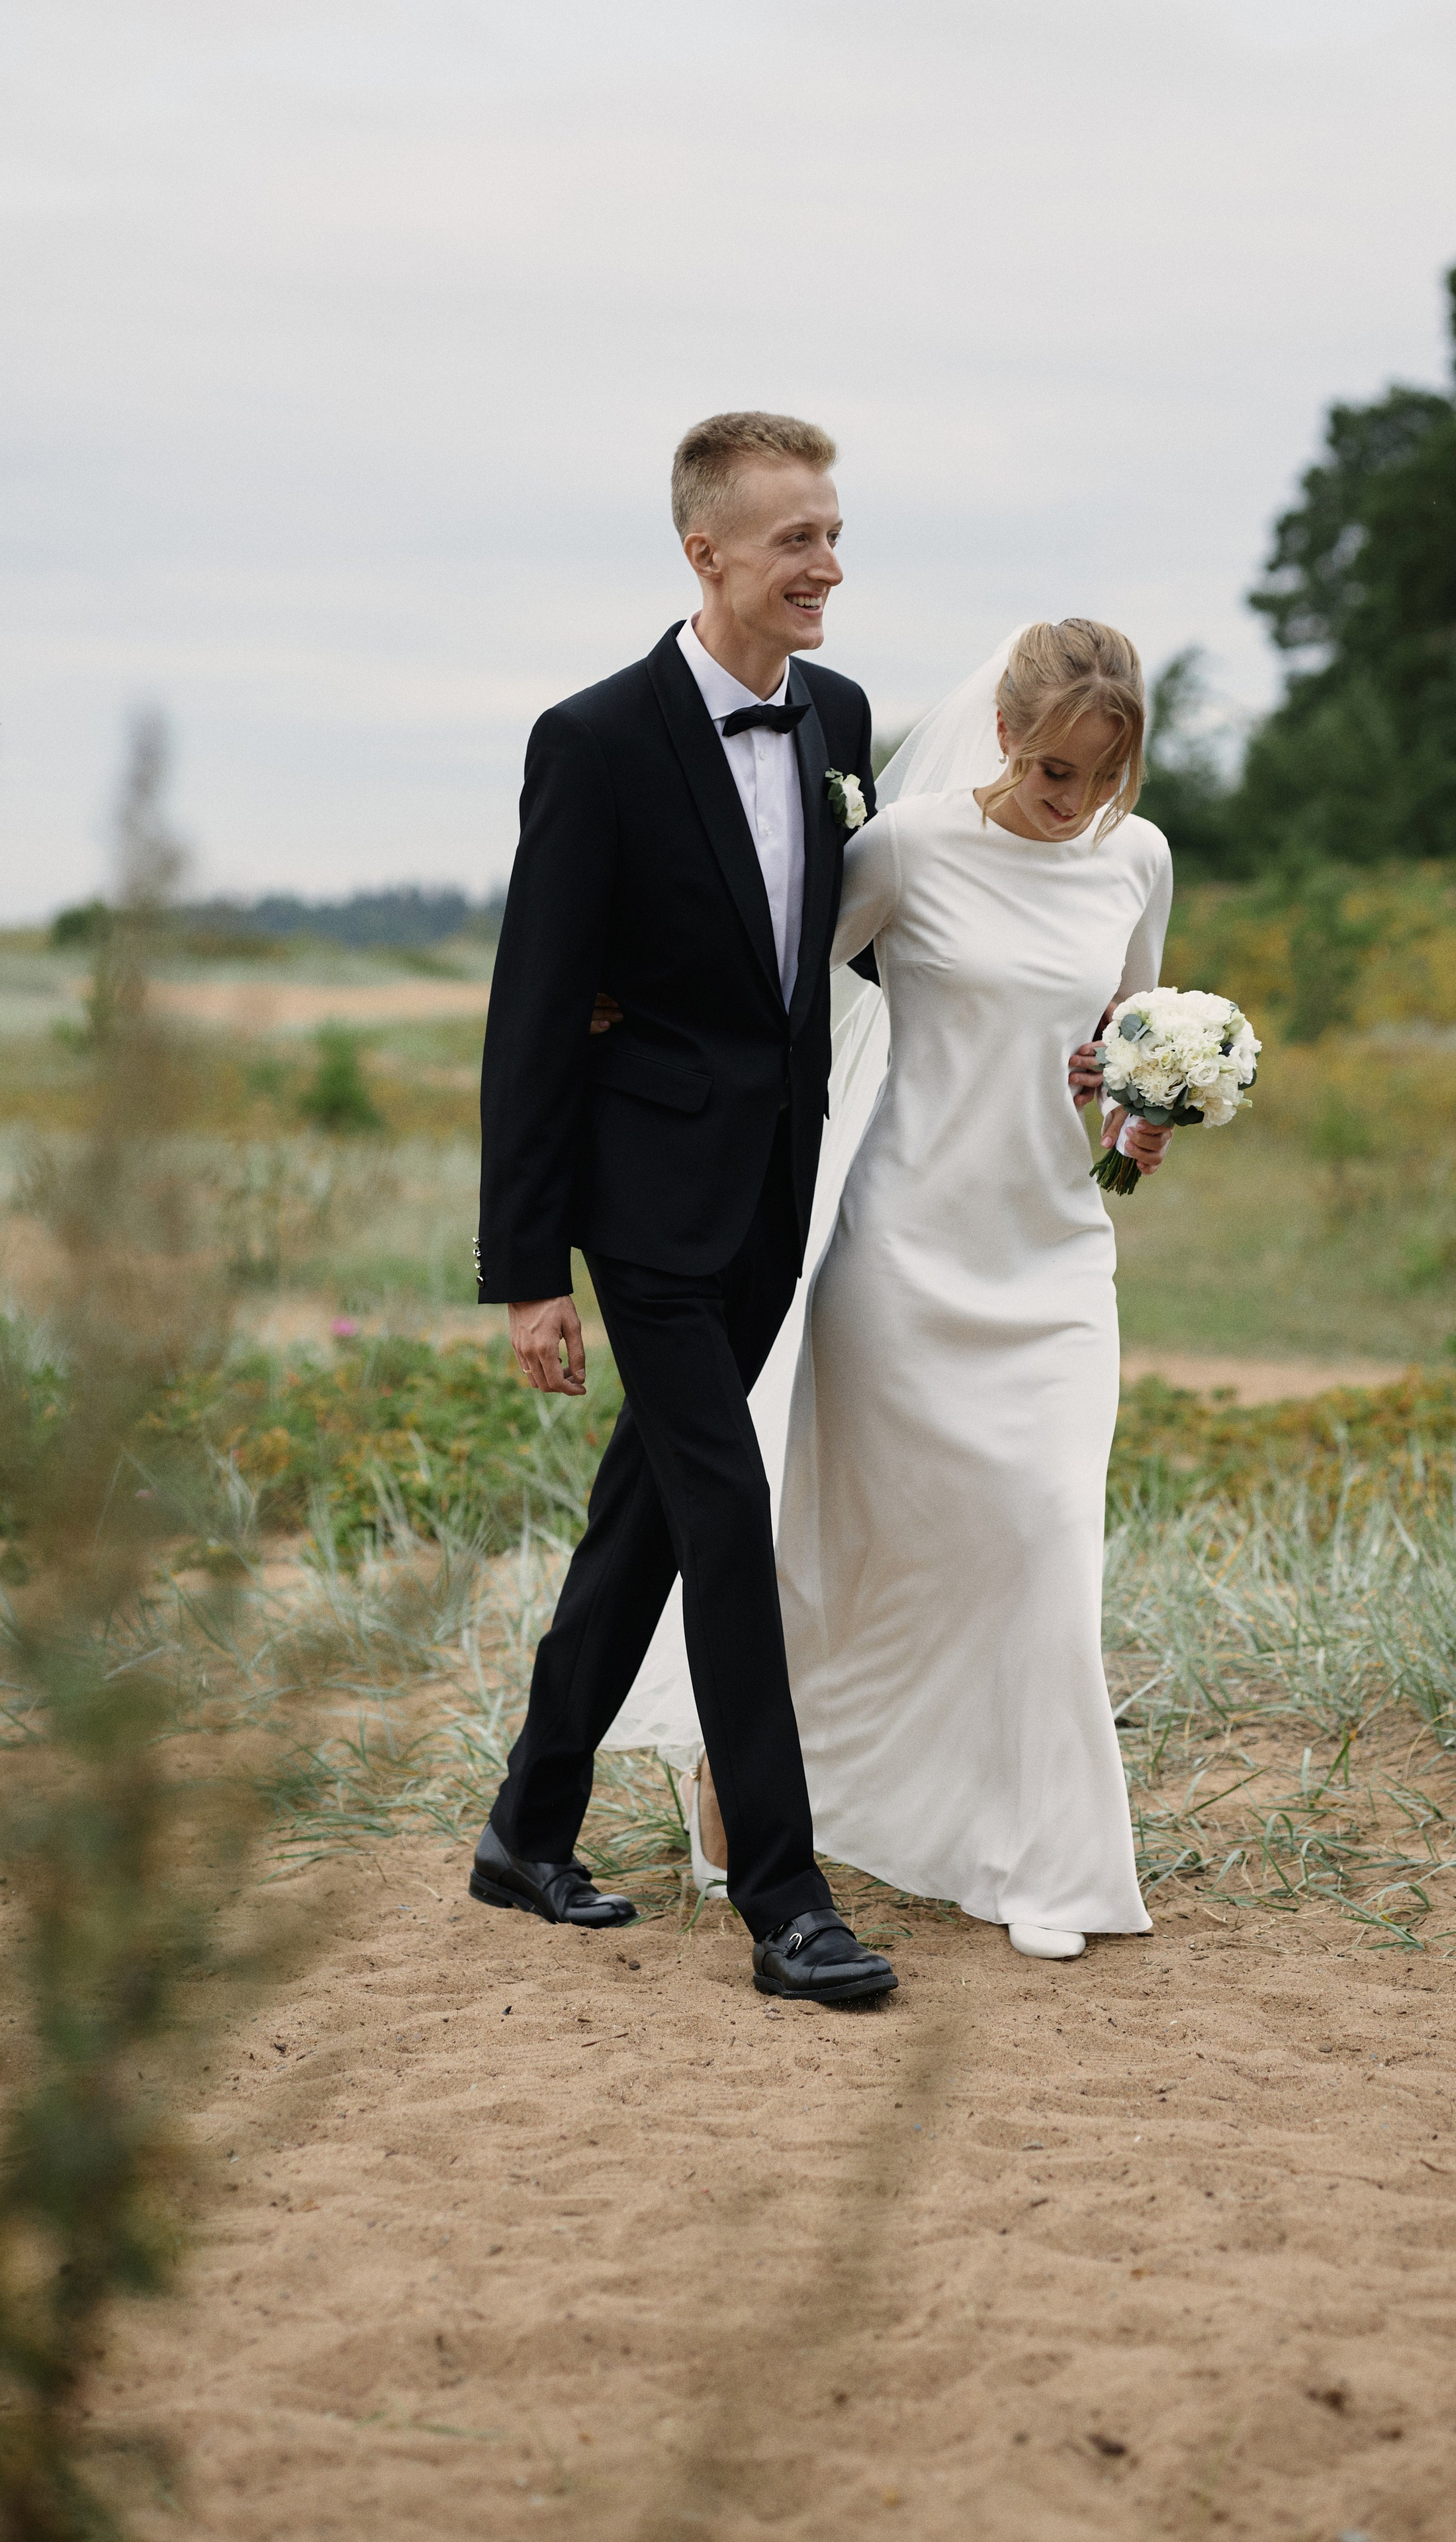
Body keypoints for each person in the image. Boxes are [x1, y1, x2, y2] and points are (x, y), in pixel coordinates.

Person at [469, 410, 899, 2005]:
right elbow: (533, 1013)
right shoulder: (591, 740)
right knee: (724, 1517)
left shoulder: (841, 717)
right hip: (641, 1207)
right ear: (703, 551)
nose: (827, 567)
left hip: (774, 1190)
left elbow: (841, 947)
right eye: (795, 540)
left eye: (834, 534)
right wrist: (529, 1271)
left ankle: (528, 1826)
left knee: (645, 1511)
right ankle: (783, 1898)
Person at [687, 620, 1173, 1959]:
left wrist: (1142, 1114)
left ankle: (1047, 1867)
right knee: (864, 1558)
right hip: (904, 1255)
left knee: (1046, 1540)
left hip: (1056, 1256)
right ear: (1004, 732)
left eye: (1101, 773)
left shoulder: (1134, 860)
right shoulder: (902, 848)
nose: (1072, 800)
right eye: (1053, 769)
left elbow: (1125, 1050)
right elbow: (774, 996)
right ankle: (751, 1770)